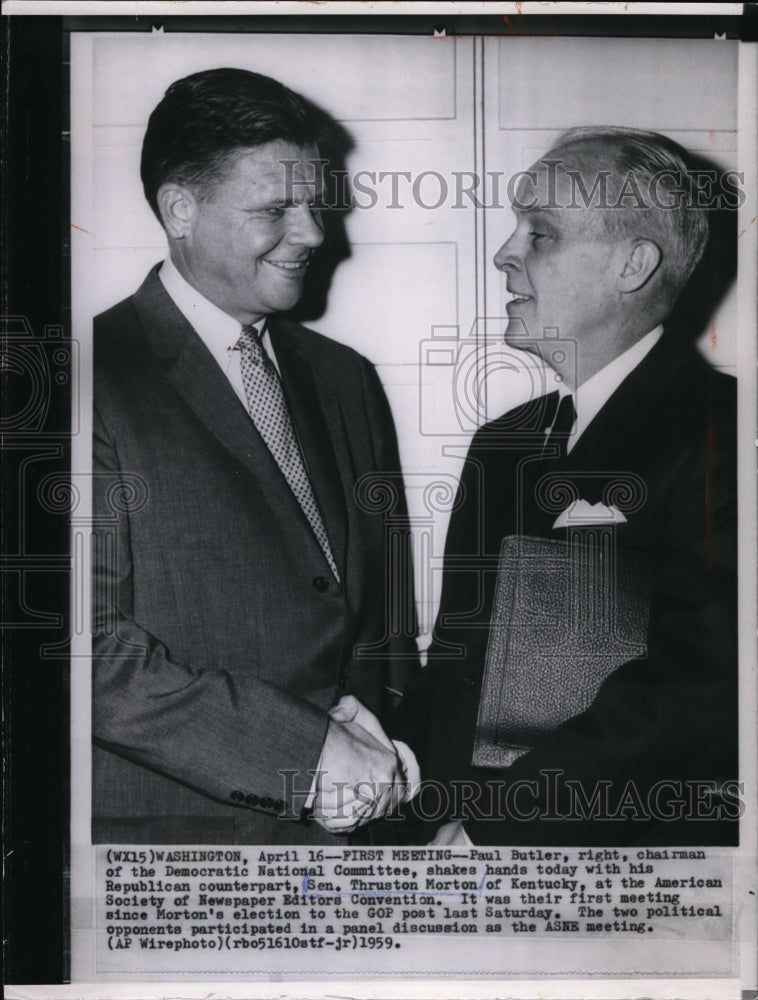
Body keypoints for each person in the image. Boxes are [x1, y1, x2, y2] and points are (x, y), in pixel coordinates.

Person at [91, 68, 419, 845]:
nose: (311, 233)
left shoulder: (346, 379)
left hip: (356, 842)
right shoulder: (76, 376)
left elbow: (385, 624)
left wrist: (392, 762)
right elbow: (80, 651)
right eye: (276, 209)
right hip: (175, 851)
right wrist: (306, 753)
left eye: (315, 206)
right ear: (180, 208)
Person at [392, 126, 738, 846]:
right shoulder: (504, 444)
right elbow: (461, 669)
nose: (503, 254)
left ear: (633, 265)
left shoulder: (727, 436)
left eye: (540, 234)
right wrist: (388, 753)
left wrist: (493, 825)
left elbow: (701, 690)